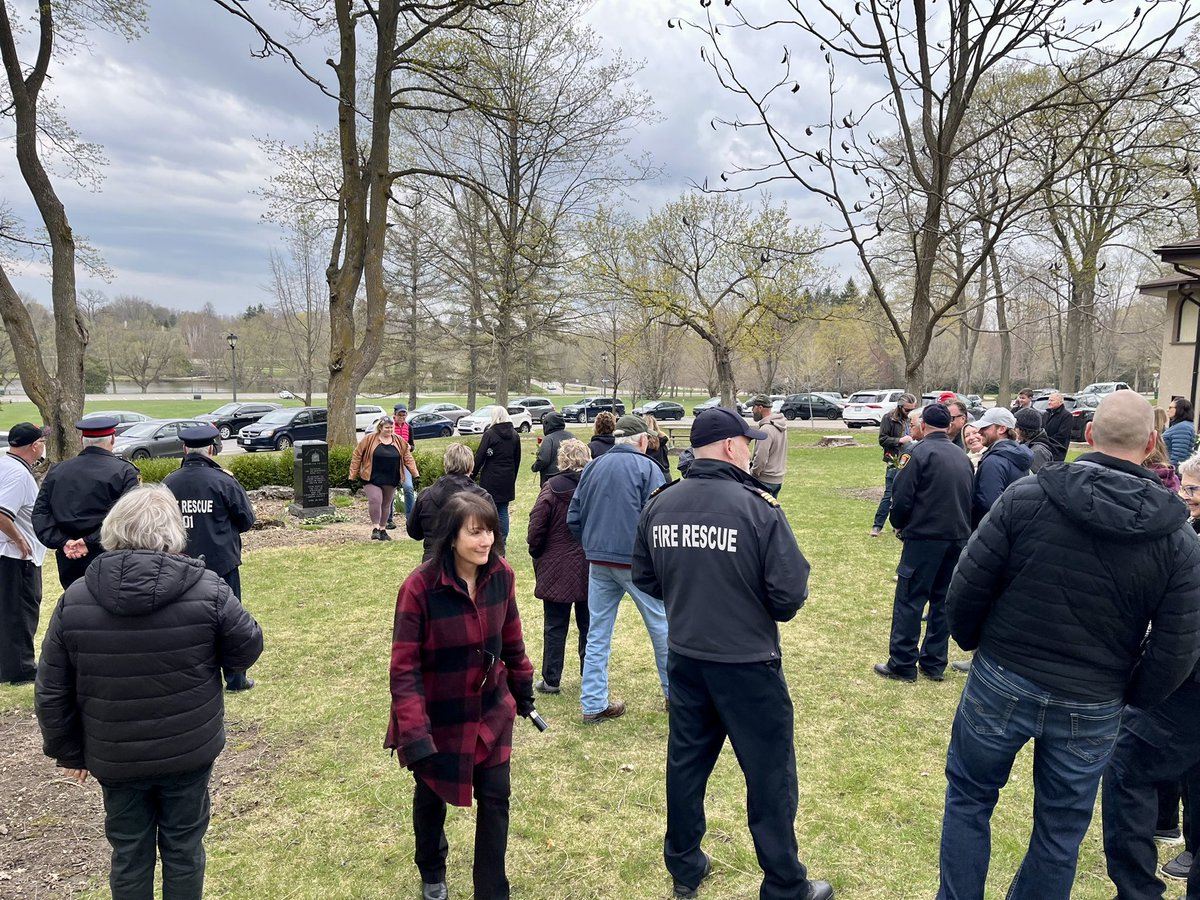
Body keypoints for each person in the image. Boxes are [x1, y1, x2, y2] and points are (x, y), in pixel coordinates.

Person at [938, 390, 1200, 900]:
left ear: (1090, 436)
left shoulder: (1029, 497)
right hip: (1075, 693)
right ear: (1151, 444)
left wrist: (1126, 694)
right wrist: (1128, 693)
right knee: (1058, 830)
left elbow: (965, 587)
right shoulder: (1176, 540)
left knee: (971, 800)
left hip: (1022, 682)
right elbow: (1176, 647)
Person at [632, 407, 834, 900]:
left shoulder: (661, 503)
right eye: (747, 442)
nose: (752, 449)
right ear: (728, 447)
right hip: (747, 665)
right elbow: (788, 595)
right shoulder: (757, 507)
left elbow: (645, 576)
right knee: (769, 776)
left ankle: (684, 865)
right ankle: (786, 883)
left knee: (686, 765)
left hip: (686, 656)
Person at [35, 484, 263, 900]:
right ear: (173, 532)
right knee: (184, 847)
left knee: (129, 851)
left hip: (117, 754)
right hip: (186, 748)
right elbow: (246, 647)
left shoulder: (77, 598)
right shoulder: (208, 589)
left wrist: (68, 750)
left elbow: (52, 688)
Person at [385, 492, 535, 900]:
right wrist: (415, 732)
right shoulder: (419, 588)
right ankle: (432, 870)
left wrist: (523, 689)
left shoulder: (501, 575)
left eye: (489, 530)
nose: (485, 540)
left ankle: (492, 889)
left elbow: (513, 640)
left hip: (490, 710)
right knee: (431, 793)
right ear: (452, 537)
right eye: (475, 532)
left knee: (496, 798)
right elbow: (404, 667)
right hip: (438, 713)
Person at [567, 414, 669, 723]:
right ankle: (676, 695)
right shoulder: (648, 468)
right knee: (661, 627)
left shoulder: (594, 466)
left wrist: (592, 543)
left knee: (597, 632)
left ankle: (594, 703)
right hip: (636, 563)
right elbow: (659, 519)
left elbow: (574, 516)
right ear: (641, 440)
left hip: (599, 561)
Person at [873, 403, 973, 683]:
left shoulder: (916, 453)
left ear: (925, 425)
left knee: (910, 599)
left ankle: (903, 663)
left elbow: (902, 497)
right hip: (957, 538)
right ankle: (934, 663)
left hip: (925, 538)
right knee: (942, 601)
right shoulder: (961, 456)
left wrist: (899, 524)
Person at [164, 424, 258, 691]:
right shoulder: (224, 481)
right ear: (211, 450)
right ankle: (236, 677)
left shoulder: (169, 482)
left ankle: (191, 678)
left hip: (180, 564)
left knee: (184, 622)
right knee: (230, 621)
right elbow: (246, 520)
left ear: (185, 449)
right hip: (222, 563)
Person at [33, 417, 140, 589]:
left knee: (75, 605)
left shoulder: (58, 471)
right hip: (109, 555)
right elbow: (130, 518)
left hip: (69, 558)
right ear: (113, 439)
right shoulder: (124, 472)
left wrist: (64, 542)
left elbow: (41, 514)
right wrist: (89, 542)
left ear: (82, 440)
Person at [527, 439, 591, 695]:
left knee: (555, 625)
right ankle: (590, 674)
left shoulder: (551, 488)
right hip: (587, 563)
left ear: (562, 459)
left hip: (557, 563)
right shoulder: (593, 487)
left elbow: (537, 525)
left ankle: (552, 678)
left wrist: (536, 549)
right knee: (589, 625)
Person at [0, 423, 47, 685]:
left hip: (7, 555)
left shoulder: (4, 464)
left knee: (9, 610)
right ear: (34, 446)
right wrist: (18, 539)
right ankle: (21, 669)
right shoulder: (18, 475)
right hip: (18, 557)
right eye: (41, 441)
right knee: (21, 611)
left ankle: (9, 664)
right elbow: (2, 512)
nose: (43, 446)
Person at [408, 444, 495, 561]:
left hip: (433, 562)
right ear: (471, 466)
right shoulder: (483, 497)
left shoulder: (426, 495)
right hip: (469, 562)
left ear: (446, 464)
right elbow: (493, 531)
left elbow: (414, 531)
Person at [351, 416, 419, 542]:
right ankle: (375, 528)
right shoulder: (370, 439)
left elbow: (407, 457)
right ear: (380, 428)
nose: (389, 430)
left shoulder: (398, 440)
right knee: (376, 499)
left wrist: (415, 473)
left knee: (386, 504)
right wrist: (353, 474)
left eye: (391, 427)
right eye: (387, 427)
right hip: (371, 477)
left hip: (391, 477)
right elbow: (357, 454)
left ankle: (383, 529)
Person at [970, 407, 1032, 529]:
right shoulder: (1018, 455)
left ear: (1002, 429)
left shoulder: (994, 461)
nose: (979, 432)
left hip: (989, 532)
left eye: (985, 428)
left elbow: (989, 503)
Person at [872, 393, 918, 537]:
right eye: (907, 410)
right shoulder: (889, 418)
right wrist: (900, 440)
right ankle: (877, 526)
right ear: (899, 407)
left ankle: (900, 526)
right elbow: (883, 439)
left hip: (912, 459)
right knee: (889, 494)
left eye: (912, 409)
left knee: (907, 494)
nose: (910, 412)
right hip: (895, 460)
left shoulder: (914, 419)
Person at [474, 407, 521, 541]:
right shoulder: (515, 435)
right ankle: (503, 538)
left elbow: (480, 457)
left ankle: (489, 537)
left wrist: (471, 475)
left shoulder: (490, 434)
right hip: (507, 477)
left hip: (491, 478)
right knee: (503, 510)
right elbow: (517, 459)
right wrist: (513, 477)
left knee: (488, 508)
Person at [749, 393, 787, 497]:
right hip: (777, 479)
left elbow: (761, 458)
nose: (752, 410)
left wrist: (753, 473)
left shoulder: (766, 429)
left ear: (760, 408)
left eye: (753, 407)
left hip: (765, 480)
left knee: (759, 512)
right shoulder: (780, 426)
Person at [389, 404, 418, 529]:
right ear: (394, 415)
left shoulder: (409, 428)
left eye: (404, 414)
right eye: (399, 415)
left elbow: (412, 445)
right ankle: (388, 519)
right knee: (390, 490)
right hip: (390, 462)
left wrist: (409, 447)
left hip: (404, 462)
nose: (401, 417)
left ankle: (410, 519)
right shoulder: (389, 427)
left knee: (408, 488)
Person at [531, 411, 575, 486]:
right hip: (571, 478)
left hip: (552, 480)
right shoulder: (572, 436)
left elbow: (543, 459)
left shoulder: (549, 439)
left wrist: (535, 467)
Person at [1014, 407, 1055, 473]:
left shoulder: (1038, 451)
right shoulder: (1027, 443)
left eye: (1015, 427)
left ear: (1023, 430)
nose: (1013, 430)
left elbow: (1034, 478)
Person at [1041, 392, 1074, 462]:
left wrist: (1047, 441)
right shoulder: (1046, 414)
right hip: (1044, 449)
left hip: (1057, 450)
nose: (1049, 402)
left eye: (1052, 400)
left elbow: (1063, 434)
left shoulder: (1066, 416)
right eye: (1049, 400)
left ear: (1060, 402)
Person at [1164, 397, 1196, 467]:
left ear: (1179, 410)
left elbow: (1178, 456)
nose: (1167, 410)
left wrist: (1169, 472)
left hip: (1171, 472)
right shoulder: (1180, 425)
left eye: (1170, 408)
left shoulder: (1183, 427)